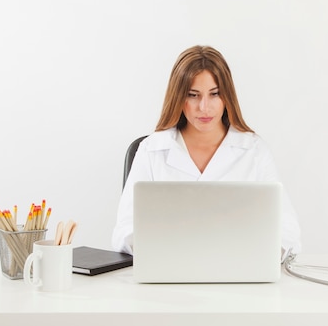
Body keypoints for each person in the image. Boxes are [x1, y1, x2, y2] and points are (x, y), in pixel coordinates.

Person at [111, 45, 302, 257]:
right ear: (178, 97)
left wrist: (254, 256)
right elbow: (124, 231)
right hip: (170, 270)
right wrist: (169, 250)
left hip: (238, 271)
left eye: (214, 94)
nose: (204, 107)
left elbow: (288, 232)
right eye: (193, 95)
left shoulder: (254, 151)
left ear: (227, 96)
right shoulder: (152, 149)